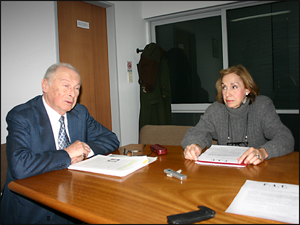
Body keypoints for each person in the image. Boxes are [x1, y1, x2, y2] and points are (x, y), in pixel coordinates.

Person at [1, 63, 120, 224]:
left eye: (77, 88)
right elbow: (19, 166)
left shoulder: (80, 113)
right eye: (66, 86)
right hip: (33, 209)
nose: (72, 93)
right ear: (45, 85)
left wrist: (85, 151)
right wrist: (67, 154)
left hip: (75, 200)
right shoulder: (22, 116)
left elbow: (111, 138)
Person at [181, 65, 294, 165]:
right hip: (225, 171)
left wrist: (263, 152)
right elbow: (196, 133)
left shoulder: (262, 106)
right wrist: (194, 145)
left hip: (256, 170)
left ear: (247, 89)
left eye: (234, 87)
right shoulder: (216, 110)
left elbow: (285, 138)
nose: (227, 93)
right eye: (224, 87)